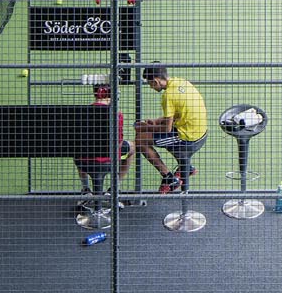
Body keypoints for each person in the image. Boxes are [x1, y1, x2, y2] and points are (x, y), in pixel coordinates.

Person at [134, 64, 208, 193]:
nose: (151, 87)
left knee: (140, 140)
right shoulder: (181, 82)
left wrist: (147, 127)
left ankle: (169, 178)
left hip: (188, 138)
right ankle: (186, 168)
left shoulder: (168, 95)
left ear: (155, 81)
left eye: (150, 84)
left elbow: (166, 129)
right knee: (159, 137)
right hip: (200, 132)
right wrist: (156, 122)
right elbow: (177, 114)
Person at [72, 78, 131, 219]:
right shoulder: (116, 114)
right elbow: (118, 142)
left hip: (84, 162)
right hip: (108, 161)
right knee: (132, 148)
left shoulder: (82, 112)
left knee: (77, 149)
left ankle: (86, 190)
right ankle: (114, 190)